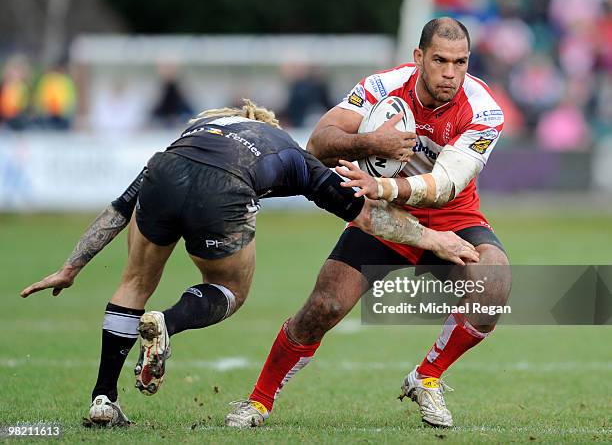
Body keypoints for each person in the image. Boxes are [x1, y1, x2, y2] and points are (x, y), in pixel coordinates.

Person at [20, 99, 478, 427]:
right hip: (223, 190)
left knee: (135, 280)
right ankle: (169, 321)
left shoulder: (195, 135)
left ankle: (103, 397)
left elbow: (119, 208)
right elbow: (365, 214)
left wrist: (73, 265)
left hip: (163, 171)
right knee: (230, 289)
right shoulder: (288, 150)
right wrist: (433, 237)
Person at [225, 18, 511, 429]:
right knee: (325, 306)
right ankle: (258, 401)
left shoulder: (484, 109)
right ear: (418, 58)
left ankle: (427, 378)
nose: (451, 73)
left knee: (495, 282)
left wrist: (383, 186)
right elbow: (318, 144)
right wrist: (370, 142)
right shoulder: (382, 88)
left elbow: (447, 184)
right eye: (440, 60)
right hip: (383, 219)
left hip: (451, 216)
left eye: (461, 62)